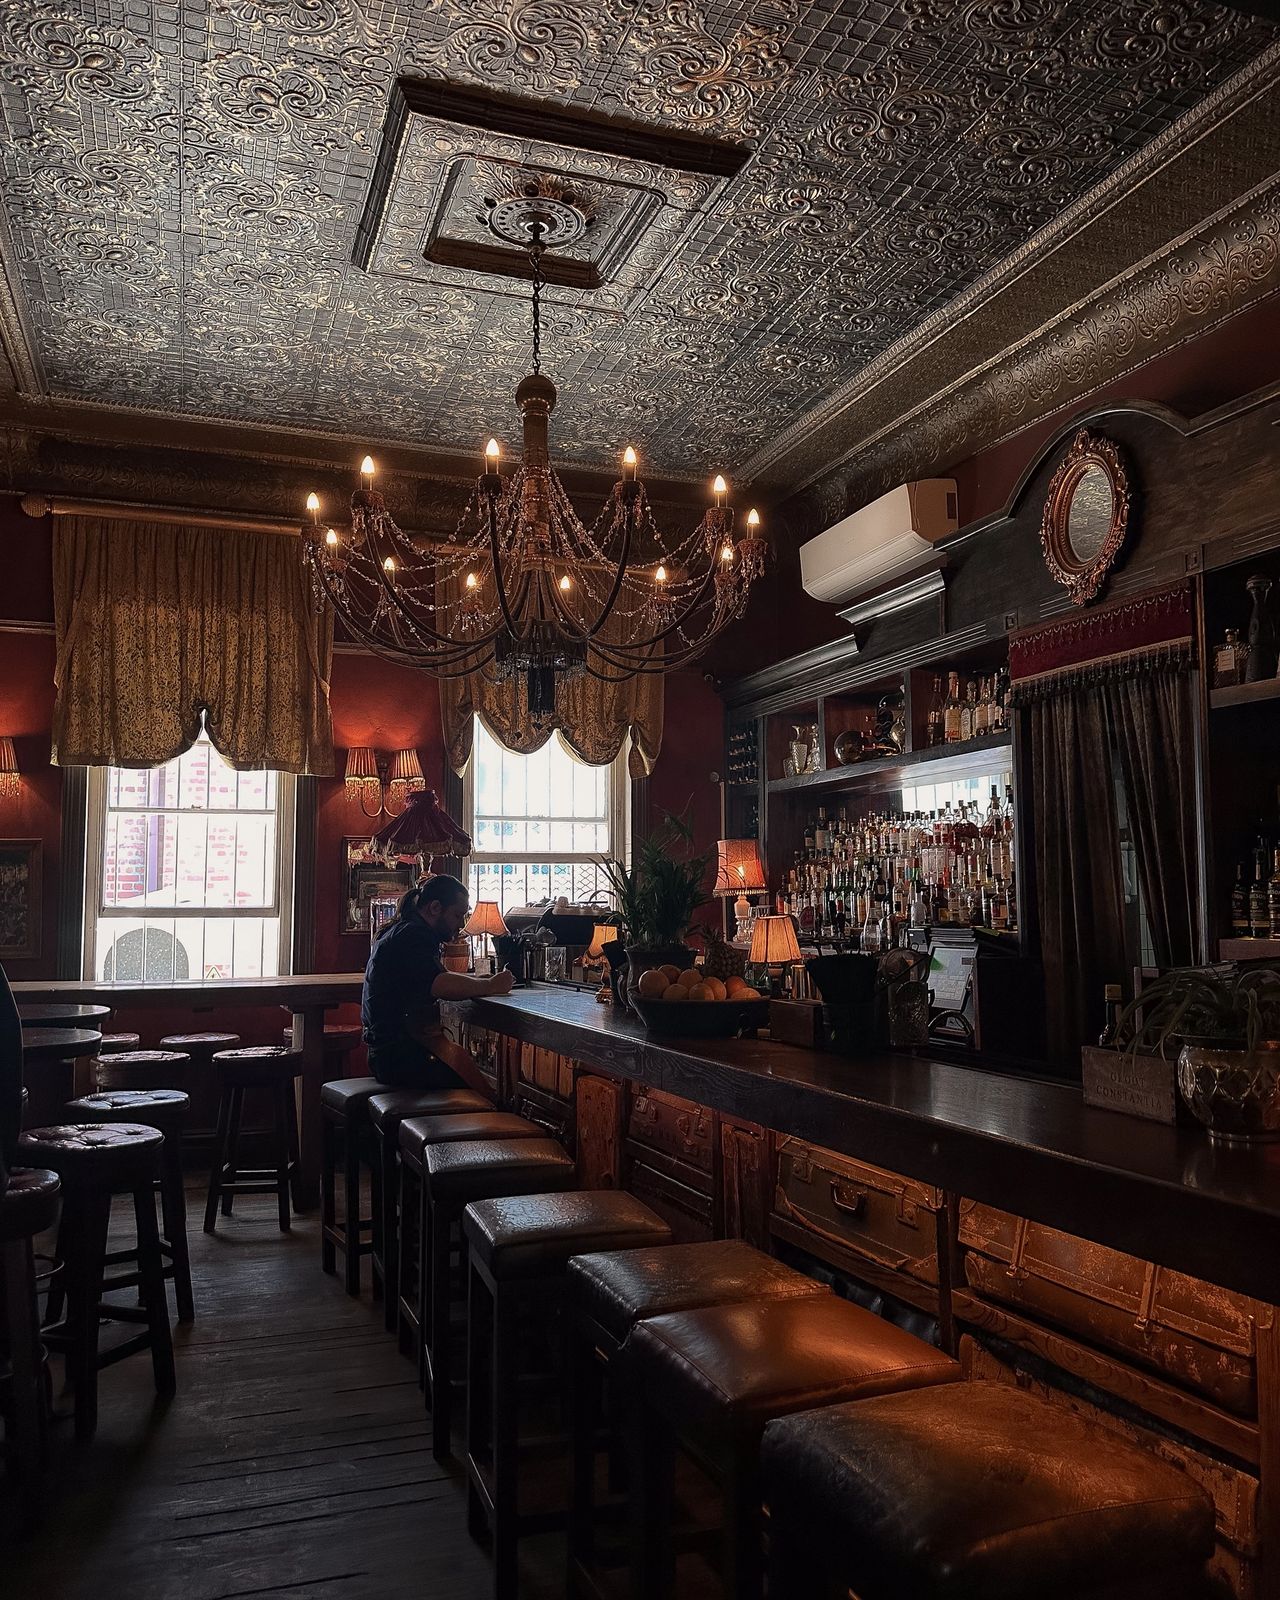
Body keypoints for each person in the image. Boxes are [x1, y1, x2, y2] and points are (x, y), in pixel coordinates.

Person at [361, 874, 513, 1093]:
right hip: (400, 1059)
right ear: (434, 908)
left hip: (387, 1054)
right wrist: (491, 985)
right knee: (482, 1090)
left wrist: (480, 981)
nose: (461, 925)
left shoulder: (402, 929)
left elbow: (435, 977)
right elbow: (439, 983)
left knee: (466, 1066)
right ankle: (497, 1118)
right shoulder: (414, 935)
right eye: (457, 915)